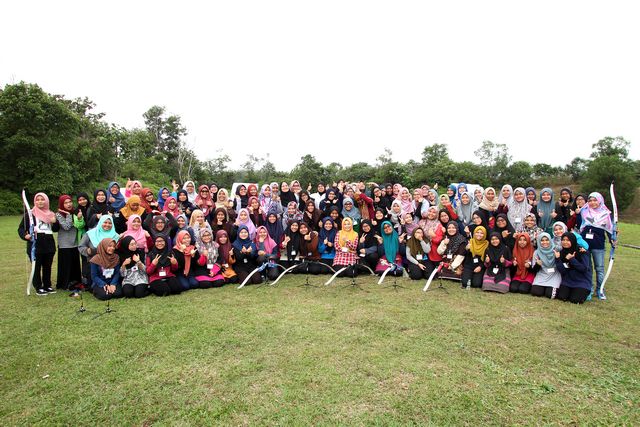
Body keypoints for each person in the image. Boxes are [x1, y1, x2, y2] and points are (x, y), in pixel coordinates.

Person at [18, 192, 58, 295]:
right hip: (35, 244)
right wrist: (25, 236)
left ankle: (47, 285)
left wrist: (54, 222)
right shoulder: (30, 214)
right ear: (35, 201)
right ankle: (38, 286)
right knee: (36, 266)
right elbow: (21, 228)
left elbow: (55, 229)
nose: (40, 201)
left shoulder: (51, 213)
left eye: (42, 199)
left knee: (47, 266)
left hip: (49, 243)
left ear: (46, 201)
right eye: (38, 199)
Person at [579, 192, 616, 300]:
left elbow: (609, 229)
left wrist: (612, 239)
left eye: (595, 200)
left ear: (600, 201)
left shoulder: (605, 214)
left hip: (598, 245)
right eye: (590, 200)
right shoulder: (584, 211)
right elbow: (580, 226)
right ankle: (589, 289)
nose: (592, 202)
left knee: (599, 268)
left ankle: (600, 290)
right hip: (585, 244)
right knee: (588, 268)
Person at [55, 195, 82, 294]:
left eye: (70, 202)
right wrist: (69, 216)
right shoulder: (58, 214)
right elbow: (66, 226)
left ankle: (76, 282)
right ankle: (64, 283)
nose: (69, 204)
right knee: (65, 265)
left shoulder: (75, 212)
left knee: (75, 265)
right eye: (66, 203)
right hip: (64, 244)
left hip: (74, 242)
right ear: (62, 204)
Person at [555, 232, 592, 304]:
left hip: (582, 281)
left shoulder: (582, 251)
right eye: (563, 240)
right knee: (561, 297)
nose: (565, 242)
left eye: (568, 240)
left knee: (575, 299)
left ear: (573, 240)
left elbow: (584, 269)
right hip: (568, 280)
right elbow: (563, 271)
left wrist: (572, 259)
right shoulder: (561, 252)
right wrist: (558, 259)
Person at [530, 232, 561, 298]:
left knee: (550, 295)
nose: (545, 242)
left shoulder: (556, 250)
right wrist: (537, 264)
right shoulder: (537, 252)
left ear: (550, 240)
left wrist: (558, 258)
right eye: (542, 240)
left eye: (547, 240)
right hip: (542, 274)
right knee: (535, 292)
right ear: (539, 241)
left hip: (554, 274)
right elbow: (534, 270)